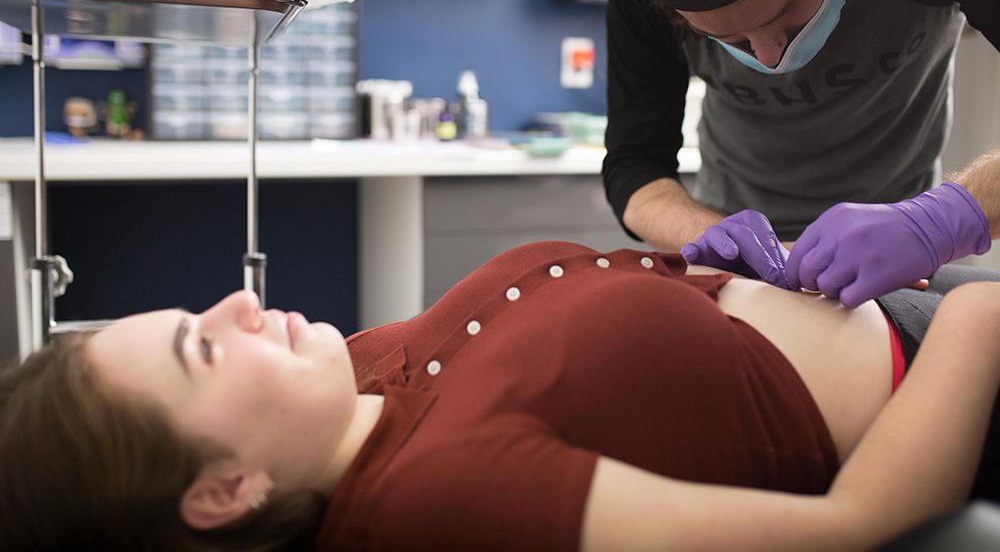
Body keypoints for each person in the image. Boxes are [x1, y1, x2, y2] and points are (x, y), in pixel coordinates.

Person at [3, 240, 1000, 551]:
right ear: (224, 491)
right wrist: (976, 317)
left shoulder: (342, 385)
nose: (240, 302)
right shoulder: (434, 499)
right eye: (202, 351)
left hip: (897, 302)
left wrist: (706, 262)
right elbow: (861, 524)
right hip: (959, 378)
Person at [604, 0, 1000, 307]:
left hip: (896, 249)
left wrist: (937, 222)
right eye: (728, 38)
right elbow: (635, 164)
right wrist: (705, 235)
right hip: (730, 248)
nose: (770, 58)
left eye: (787, 10)